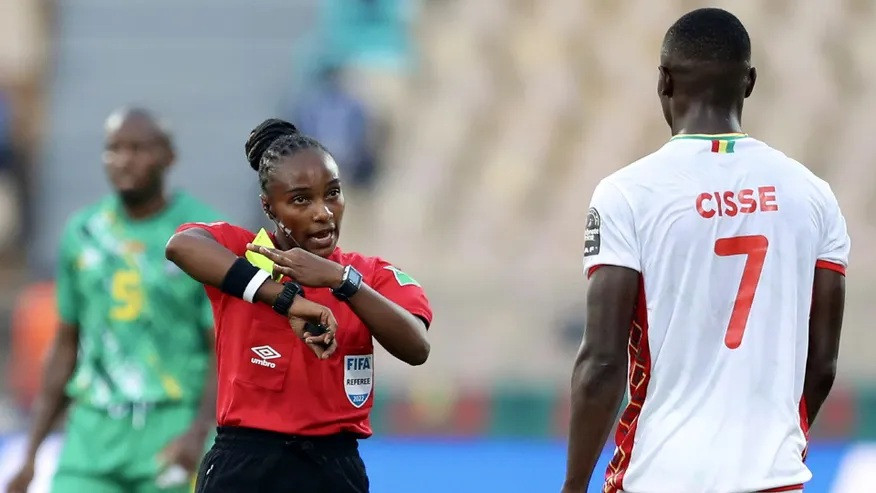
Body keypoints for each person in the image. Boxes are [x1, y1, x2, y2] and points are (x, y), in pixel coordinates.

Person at [563, 8, 848, 493]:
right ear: (749, 83)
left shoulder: (627, 194)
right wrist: (775, 447)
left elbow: (602, 364)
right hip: (773, 479)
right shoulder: (813, 195)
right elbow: (822, 364)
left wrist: (573, 486)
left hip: (661, 475)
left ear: (663, 81)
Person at [164, 118, 432, 493]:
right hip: (243, 466)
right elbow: (180, 246)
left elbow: (417, 347)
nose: (323, 212)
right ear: (269, 207)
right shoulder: (246, 254)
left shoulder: (369, 275)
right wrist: (284, 299)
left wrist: (342, 281)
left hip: (332, 468)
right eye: (301, 199)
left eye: (333, 193)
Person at [6, 107, 223, 493]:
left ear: (169, 157)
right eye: (114, 149)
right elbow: (67, 343)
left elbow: (222, 347)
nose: (124, 160)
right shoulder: (83, 232)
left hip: (170, 424)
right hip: (93, 429)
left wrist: (199, 432)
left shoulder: (202, 235)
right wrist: (32, 451)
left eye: (138, 149)